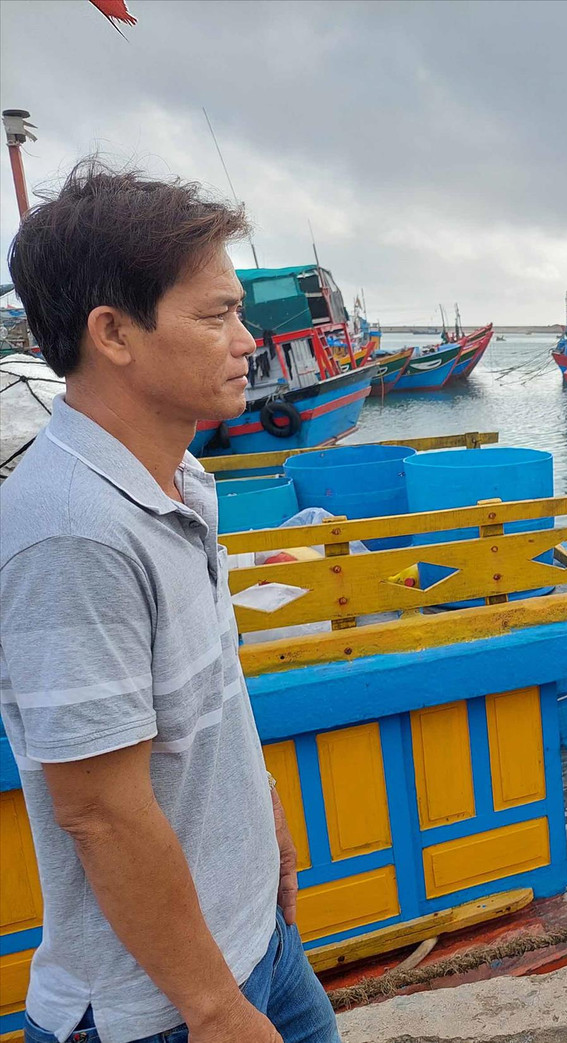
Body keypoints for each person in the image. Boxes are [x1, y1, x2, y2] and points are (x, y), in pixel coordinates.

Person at [0, 163, 339, 1043]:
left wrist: (260, 816)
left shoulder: (182, 481)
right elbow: (96, 805)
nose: (249, 341)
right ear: (113, 333)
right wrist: (215, 1007)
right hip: (159, 1008)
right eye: (217, 314)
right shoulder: (69, 530)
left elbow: (205, 692)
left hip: (254, 938)